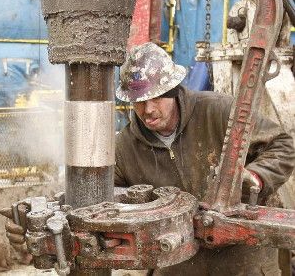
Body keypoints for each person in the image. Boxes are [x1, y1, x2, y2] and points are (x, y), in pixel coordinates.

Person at [114, 42, 295, 275]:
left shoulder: (219, 111)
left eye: (156, 98)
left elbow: (283, 146)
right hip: (178, 266)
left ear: (172, 90)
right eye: (139, 101)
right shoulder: (125, 147)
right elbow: (113, 202)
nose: (148, 110)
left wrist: (256, 177)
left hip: (243, 261)